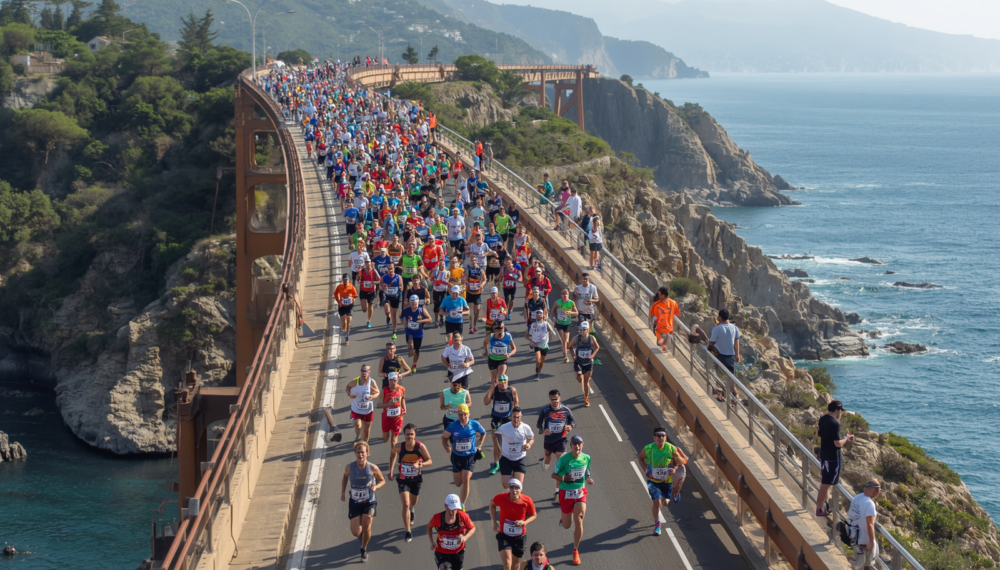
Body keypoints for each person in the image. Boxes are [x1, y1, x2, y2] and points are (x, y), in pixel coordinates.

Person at [552, 435, 594, 565]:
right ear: (570, 445)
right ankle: (563, 519)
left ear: (582, 445)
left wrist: (588, 479)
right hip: (566, 493)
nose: (577, 446)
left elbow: (587, 471)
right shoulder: (564, 459)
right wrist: (565, 479)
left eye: (579, 444)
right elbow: (554, 475)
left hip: (580, 492)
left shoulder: (586, 458)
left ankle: (575, 550)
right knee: (567, 525)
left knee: (579, 520)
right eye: (575, 444)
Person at [341, 441, 386, 562]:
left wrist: (376, 487)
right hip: (355, 502)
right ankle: (361, 537)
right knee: (356, 532)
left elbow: (382, 480)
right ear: (355, 453)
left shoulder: (372, 468)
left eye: (363, 453)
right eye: (358, 453)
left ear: (367, 453)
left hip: (369, 501)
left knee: (367, 526)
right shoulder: (349, 467)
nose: (360, 455)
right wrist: (343, 492)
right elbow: (345, 477)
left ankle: (364, 548)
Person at [637, 427, 686, 536]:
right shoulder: (648, 448)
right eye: (658, 436)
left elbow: (679, 461)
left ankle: (675, 492)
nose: (661, 438)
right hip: (653, 480)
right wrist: (645, 469)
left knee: (665, 502)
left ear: (666, 437)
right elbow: (640, 458)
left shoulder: (671, 448)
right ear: (654, 437)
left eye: (663, 436)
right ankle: (657, 524)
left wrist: (675, 469)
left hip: (666, 481)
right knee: (656, 502)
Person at [389, 423, 433, 543]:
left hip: (416, 479)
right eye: (407, 434)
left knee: (412, 503)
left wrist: (421, 464)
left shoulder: (420, 447)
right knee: (406, 504)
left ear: (415, 434)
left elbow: (430, 460)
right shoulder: (398, 447)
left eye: (411, 434)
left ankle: (412, 509)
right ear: (404, 435)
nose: (409, 436)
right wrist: (391, 470)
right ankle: (408, 531)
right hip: (403, 479)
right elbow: (392, 455)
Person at [442, 404, 487, 508]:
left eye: (465, 414)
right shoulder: (453, 426)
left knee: (466, 478)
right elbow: (444, 438)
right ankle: (461, 479)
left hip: (470, 456)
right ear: (457, 415)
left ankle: (462, 505)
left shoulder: (474, 424)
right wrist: (446, 447)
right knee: (458, 483)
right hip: (456, 456)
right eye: (460, 415)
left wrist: (479, 445)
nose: (463, 417)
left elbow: (483, 433)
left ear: (469, 414)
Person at [816, 400, 854, 516]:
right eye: (841, 411)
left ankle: (825, 505)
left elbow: (821, 435)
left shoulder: (823, 419)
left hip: (824, 454)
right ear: (837, 410)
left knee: (826, 482)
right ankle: (819, 509)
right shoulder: (835, 424)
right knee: (826, 483)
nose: (841, 413)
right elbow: (837, 443)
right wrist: (846, 439)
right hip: (832, 457)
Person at [490, 479, 537, 570]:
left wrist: (524, 522)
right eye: (512, 487)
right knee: (507, 564)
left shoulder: (527, 501)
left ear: (521, 490)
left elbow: (534, 515)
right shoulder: (501, 498)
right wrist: (494, 522)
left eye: (517, 487)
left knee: (514, 567)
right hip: (504, 535)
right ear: (509, 489)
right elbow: (492, 504)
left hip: (519, 537)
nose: (514, 490)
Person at [427, 494, 476, 570]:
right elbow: (429, 527)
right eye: (451, 509)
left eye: (455, 509)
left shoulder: (463, 517)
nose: (453, 512)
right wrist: (432, 541)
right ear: (446, 505)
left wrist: (465, 537)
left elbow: (472, 528)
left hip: (458, 552)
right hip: (442, 552)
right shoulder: (437, 518)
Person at [537, 389, 577, 479]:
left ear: (560, 398)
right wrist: (543, 430)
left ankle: (558, 481)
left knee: (561, 460)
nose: (554, 401)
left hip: (561, 438)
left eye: (556, 399)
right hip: (549, 439)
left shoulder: (566, 410)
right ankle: (545, 461)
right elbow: (539, 424)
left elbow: (573, 422)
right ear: (549, 399)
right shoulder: (545, 410)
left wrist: (570, 427)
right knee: (547, 456)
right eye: (552, 399)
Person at [491, 405, 534, 486]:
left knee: (517, 486)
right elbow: (495, 434)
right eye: (514, 417)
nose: (516, 419)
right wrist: (497, 446)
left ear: (521, 417)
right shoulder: (504, 427)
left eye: (518, 417)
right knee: (505, 485)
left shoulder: (525, 427)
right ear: (511, 417)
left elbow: (532, 438)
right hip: (506, 458)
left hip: (520, 458)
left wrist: (529, 444)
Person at [847, 480, 881, 570]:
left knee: (859, 563)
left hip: (854, 535)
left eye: (879, 490)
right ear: (869, 489)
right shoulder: (870, 504)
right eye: (876, 489)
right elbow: (870, 524)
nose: (877, 492)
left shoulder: (857, 497)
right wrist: (871, 541)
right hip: (863, 540)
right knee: (860, 565)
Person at [568, 322, 599, 407]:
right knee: (579, 378)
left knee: (586, 382)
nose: (583, 332)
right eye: (581, 330)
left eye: (584, 330)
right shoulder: (576, 338)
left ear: (588, 330)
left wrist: (593, 355)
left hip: (588, 363)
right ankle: (579, 376)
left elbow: (597, 347)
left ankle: (586, 398)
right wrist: (573, 354)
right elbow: (569, 346)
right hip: (579, 362)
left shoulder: (592, 338)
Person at [378, 371, 406, 464]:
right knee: (385, 439)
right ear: (388, 381)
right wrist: (389, 404)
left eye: (394, 380)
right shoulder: (384, 391)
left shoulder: (401, 389)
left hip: (397, 418)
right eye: (391, 380)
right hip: (386, 418)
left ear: (397, 380)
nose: (393, 382)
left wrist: (403, 407)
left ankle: (397, 457)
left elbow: (402, 399)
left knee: (393, 442)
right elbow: (378, 405)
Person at [347, 365, 380, 443]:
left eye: (366, 371)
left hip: (367, 411)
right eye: (363, 371)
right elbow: (347, 387)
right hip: (356, 409)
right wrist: (350, 394)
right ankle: (357, 435)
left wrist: (371, 397)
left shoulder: (372, 382)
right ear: (360, 371)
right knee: (357, 426)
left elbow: (377, 392)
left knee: (366, 431)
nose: (364, 373)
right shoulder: (355, 381)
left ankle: (365, 445)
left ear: (369, 372)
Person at [401, 295, 433, 372]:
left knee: (416, 350)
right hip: (409, 331)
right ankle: (410, 349)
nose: (414, 305)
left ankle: (414, 364)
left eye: (415, 303)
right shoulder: (406, 310)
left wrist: (421, 321)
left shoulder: (421, 310)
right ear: (409, 303)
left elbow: (430, 319)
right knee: (409, 344)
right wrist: (404, 321)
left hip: (418, 333)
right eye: (412, 303)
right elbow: (402, 317)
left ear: (418, 303)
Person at [709, 309, 741, 374]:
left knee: (720, 376)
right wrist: (737, 355)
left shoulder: (716, 329)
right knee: (731, 377)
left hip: (720, 356)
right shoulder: (735, 328)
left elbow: (712, 342)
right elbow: (736, 341)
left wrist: (707, 348)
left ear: (719, 318)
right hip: (731, 357)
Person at [649, 286, 680, 352]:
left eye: (660, 294)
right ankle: (664, 347)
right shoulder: (673, 303)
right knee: (664, 344)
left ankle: (663, 346)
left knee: (662, 344)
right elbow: (677, 313)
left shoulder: (657, 304)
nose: (658, 295)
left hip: (663, 328)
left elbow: (652, 315)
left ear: (663, 295)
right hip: (667, 328)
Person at [552, 289, 578, 363]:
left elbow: (576, 313)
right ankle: (565, 355)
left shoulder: (571, 303)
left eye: (566, 293)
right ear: (561, 295)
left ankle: (564, 349)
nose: (564, 295)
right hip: (559, 323)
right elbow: (552, 311)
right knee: (563, 339)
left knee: (566, 340)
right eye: (563, 294)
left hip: (567, 323)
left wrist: (570, 312)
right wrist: (554, 317)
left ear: (568, 294)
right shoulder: (557, 302)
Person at [463, 255, 486, 333]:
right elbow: (465, 278)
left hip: (477, 292)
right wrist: (466, 283)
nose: (473, 261)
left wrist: (481, 285)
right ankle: (472, 325)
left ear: (476, 261)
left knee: (477, 309)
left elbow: (484, 279)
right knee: (472, 310)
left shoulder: (480, 269)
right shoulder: (468, 269)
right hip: (470, 292)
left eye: (474, 260)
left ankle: (474, 325)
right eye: (472, 260)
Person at [525, 310, 550, 380]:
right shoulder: (533, 325)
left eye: (540, 314)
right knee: (538, 359)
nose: (539, 316)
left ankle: (539, 371)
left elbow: (551, 330)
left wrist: (546, 321)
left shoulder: (546, 324)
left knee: (541, 362)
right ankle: (537, 373)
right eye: (537, 315)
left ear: (543, 315)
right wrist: (531, 341)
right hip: (536, 345)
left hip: (544, 345)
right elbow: (527, 335)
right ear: (535, 316)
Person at [381, 264, 403, 338]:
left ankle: (394, 331)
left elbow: (401, 287)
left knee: (394, 314)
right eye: (389, 269)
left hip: (395, 297)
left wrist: (399, 288)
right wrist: (384, 287)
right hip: (387, 296)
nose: (390, 270)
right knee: (387, 310)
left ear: (394, 269)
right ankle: (388, 316)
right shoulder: (384, 277)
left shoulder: (398, 277)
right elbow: (381, 286)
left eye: (392, 268)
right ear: (387, 269)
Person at [334, 274, 357, 345]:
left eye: (346, 280)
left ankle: (347, 335)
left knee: (348, 321)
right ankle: (345, 334)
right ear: (342, 280)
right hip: (342, 307)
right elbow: (335, 294)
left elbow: (355, 295)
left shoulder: (351, 287)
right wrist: (339, 301)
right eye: (344, 280)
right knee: (344, 324)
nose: (345, 281)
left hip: (349, 306)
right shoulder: (339, 287)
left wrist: (352, 300)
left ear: (349, 280)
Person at [358, 260, 381, 328]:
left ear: (371, 264)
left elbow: (379, 280)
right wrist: (358, 277)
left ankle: (369, 321)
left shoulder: (374, 271)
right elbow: (359, 278)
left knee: (371, 305)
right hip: (363, 291)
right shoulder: (362, 270)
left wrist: (374, 282)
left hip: (371, 291)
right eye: (366, 263)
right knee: (364, 309)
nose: (368, 265)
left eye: (369, 263)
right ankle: (366, 305)